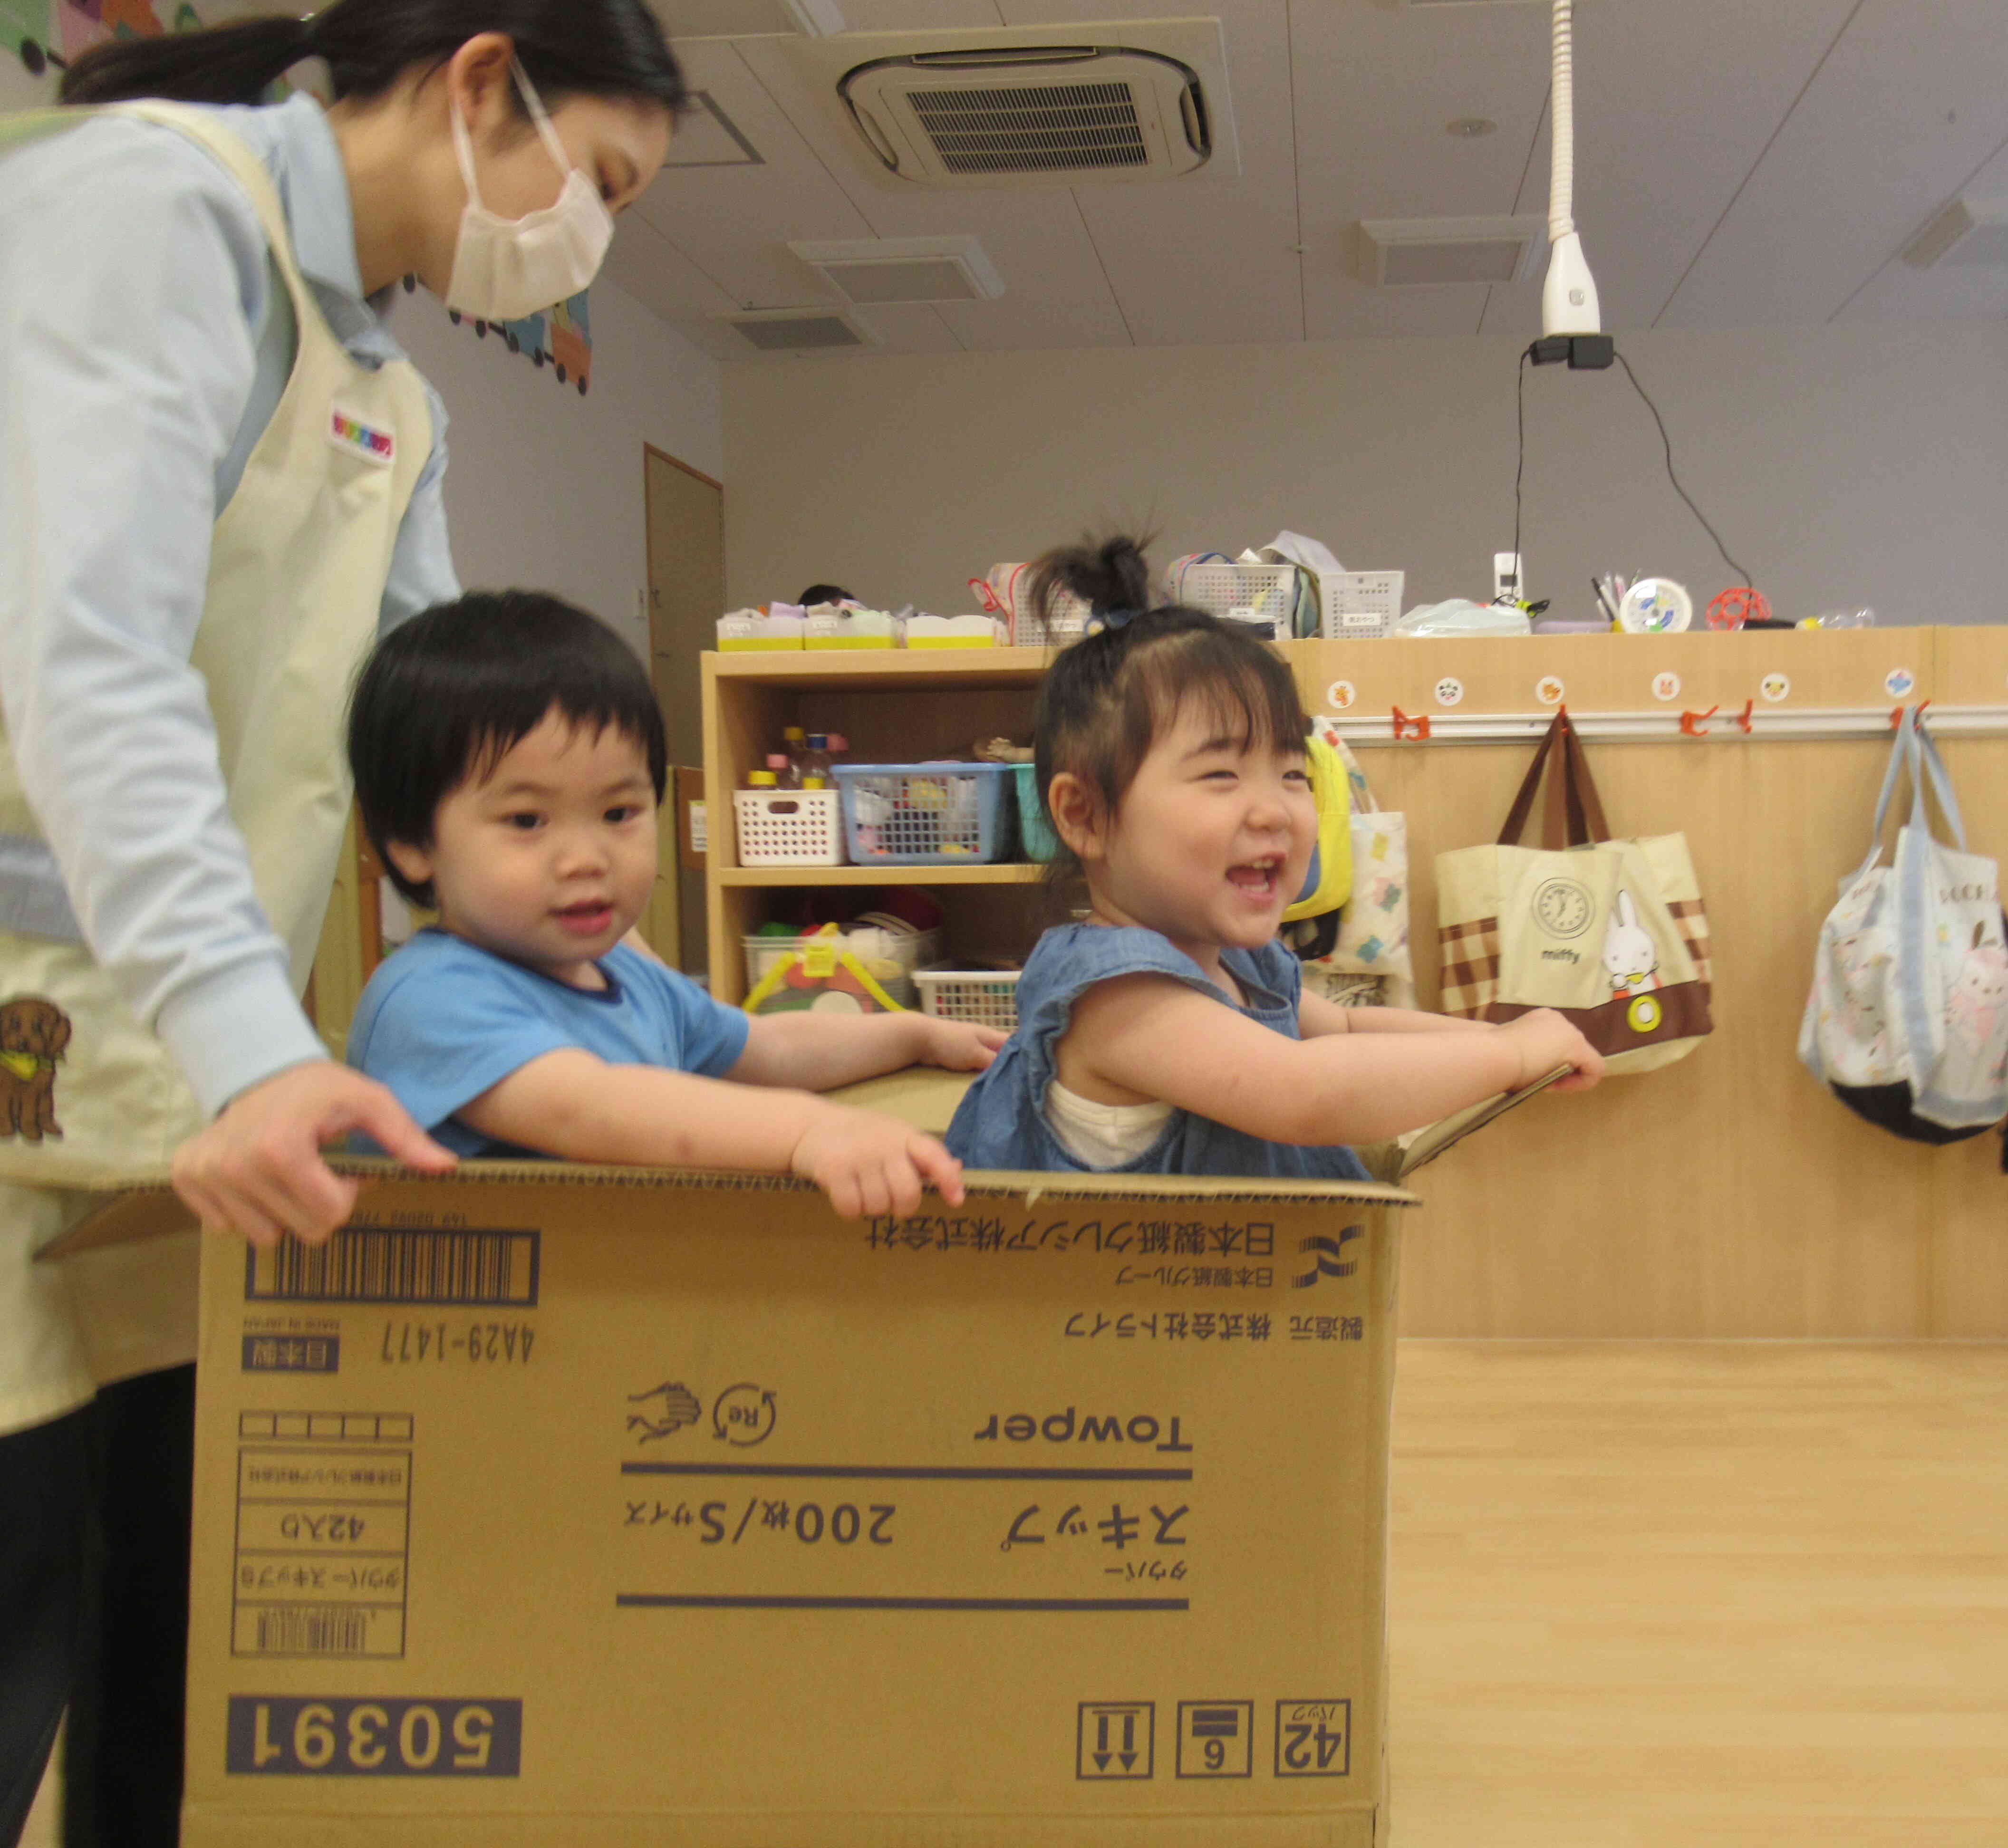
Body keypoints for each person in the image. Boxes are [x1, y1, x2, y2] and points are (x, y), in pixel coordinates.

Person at [0, 5, 685, 1843]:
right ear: (481, 83)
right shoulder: (155, 213)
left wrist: (628, 984)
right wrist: (254, 1040)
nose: (591, 238)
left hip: (184, 1082)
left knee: (170, 1624)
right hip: (71, 1038)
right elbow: (89, 674)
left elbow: (452, 758)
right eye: (600, 181)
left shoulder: (395, 392)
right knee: (20, 1603)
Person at [943, 538, 1603, 1179]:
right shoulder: (1116, 996)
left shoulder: (1239, 961)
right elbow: (1303, 1093)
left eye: (1293, 774)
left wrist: (1497, 1040)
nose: (1276, 811)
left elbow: (1345, 1027)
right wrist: (1513, 1057)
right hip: (1126, 1288)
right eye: (1222, 775)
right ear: (1086, 817)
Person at [347, 593, 1002, 1213]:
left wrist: (912, 1034)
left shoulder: (628, 977)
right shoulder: (430, 1000)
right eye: (527, 821)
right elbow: (593, 1107)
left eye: (618, 811)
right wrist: (809, 1130)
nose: (587, 857)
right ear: (411, 842)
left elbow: (767, 1049)